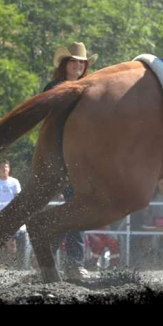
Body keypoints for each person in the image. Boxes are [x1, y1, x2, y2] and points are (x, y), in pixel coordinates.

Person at [44, 41, 97, 279]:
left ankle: (49, 263)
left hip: (82, 156)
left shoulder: (90, 88)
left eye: (81, 62)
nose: (78, 65)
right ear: (65, 64)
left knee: (73, 209)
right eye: (74, 61)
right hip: (60, 155)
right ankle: (72, 264)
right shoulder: (54, 88)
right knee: (75, 209)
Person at [0, 160, 26, 268]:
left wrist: (19, 213)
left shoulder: (14, 182)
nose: (4, 169)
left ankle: (12, 264)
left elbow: (18, 198)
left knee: (12, 241)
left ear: (9, 168)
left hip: (12, 215)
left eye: (6, 167)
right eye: (2, 167)